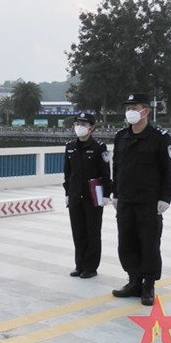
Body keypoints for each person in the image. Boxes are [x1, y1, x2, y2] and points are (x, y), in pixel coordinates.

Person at [111, 92, 171, 306]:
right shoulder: (121, 136)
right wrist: (116, 193)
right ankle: (133, 281)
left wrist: (166, 197)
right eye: (128, 107)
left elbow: (168, 170)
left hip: (149, 201)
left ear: (146, 111)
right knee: (126, 242)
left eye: (134, 107)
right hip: (126, 200)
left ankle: (148, 284)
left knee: (149, 243)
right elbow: (117, 167)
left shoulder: (159, 137)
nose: (130, 111)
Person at [63, 112, 111, 279]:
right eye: (78, 123)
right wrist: (67, 193)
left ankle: (90, 267)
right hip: (76, 195)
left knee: (92, 231)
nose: (79, 127)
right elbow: (67, 173)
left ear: (92, 127)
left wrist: (106, 194)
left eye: (83, 124)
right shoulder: (70, 146)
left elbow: (105, 173)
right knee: (78, 231)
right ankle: (79, 264)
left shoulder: (99, 147)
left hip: (93, 196)